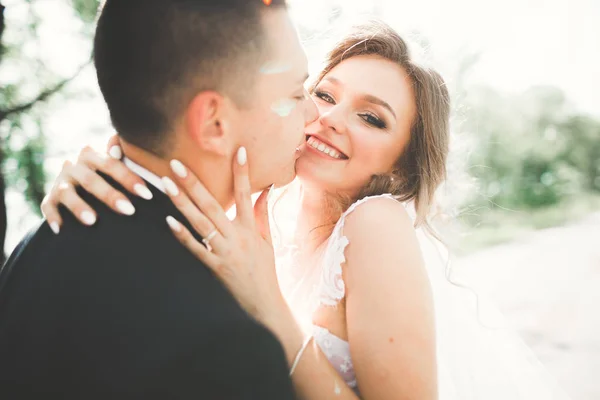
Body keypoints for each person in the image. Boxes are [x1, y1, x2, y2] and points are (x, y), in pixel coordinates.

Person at [40, 18, 572, 400]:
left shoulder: (375, 225)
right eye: (322, 94)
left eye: (372, 118)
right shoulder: (260, 210)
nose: (333, 118)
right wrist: (108, 168)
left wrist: (271, 308)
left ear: (400, 169)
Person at [0, 0, 316, 398]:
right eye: (294, 93)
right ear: (214, 123)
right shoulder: (226, 345)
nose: (314, 113)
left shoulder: (36, 245)